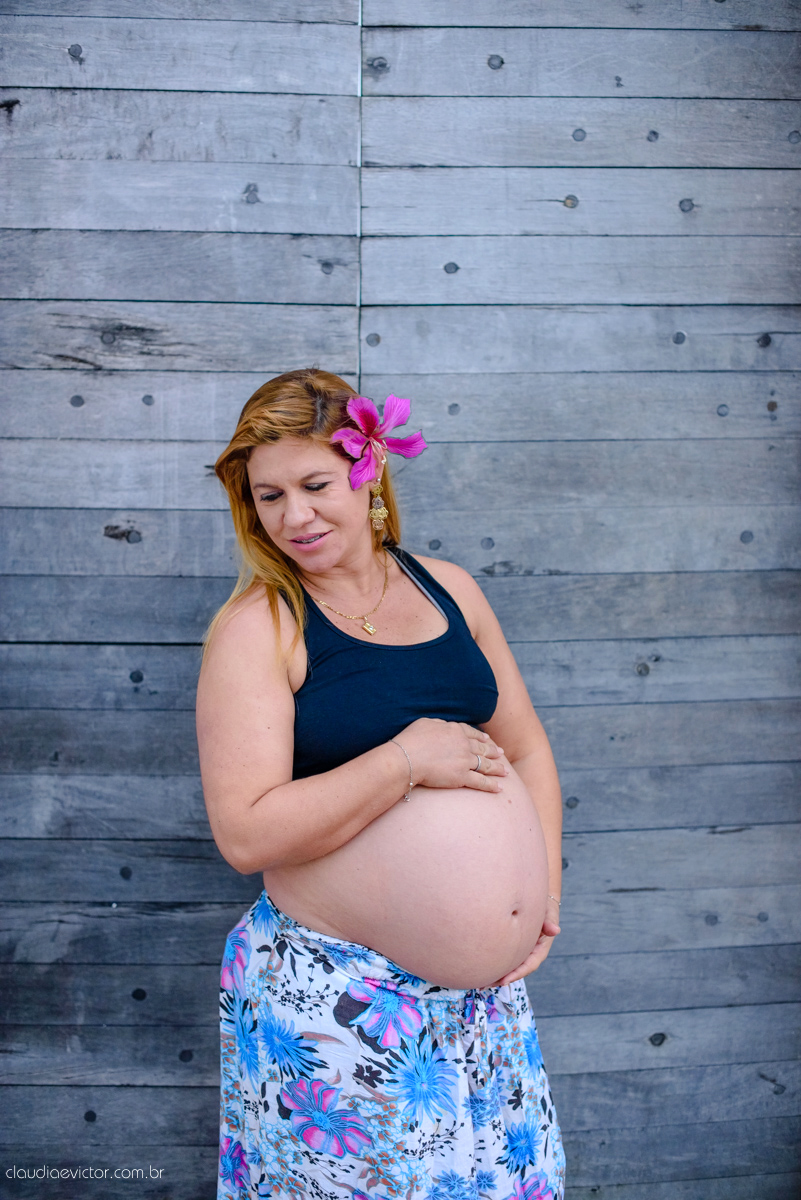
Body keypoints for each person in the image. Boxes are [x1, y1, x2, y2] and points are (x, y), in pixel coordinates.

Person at [197, 368, 566, 1200]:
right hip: (338, 1003)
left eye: (314, 484)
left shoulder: (449, 589)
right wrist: (402, 762)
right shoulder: (262, 627)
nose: (293, 516)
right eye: (268, 496)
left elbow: (528, 749)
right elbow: (245, 835)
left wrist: (543, 888)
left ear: (368, 472)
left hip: (481, 1014)